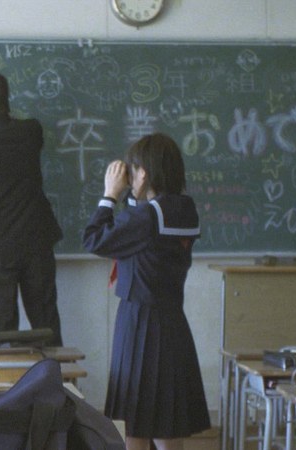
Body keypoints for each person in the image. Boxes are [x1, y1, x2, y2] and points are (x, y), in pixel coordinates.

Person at [83, 134, 210, 450]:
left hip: (138, 321)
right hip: (171, 321)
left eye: (134, 168)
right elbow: (137, 227)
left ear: (145, 172)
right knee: (165, 420)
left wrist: (110, 195)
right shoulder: (183, 209)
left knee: (137, 421)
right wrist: (133, 196)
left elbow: (94, 239)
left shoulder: (148, 217)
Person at [0, 69, 63, 345]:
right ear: (6, 97)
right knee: (46, 321)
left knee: (3, 329)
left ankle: (9, 373)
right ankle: (55, 372)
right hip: (38, 239)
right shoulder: (32, 131)